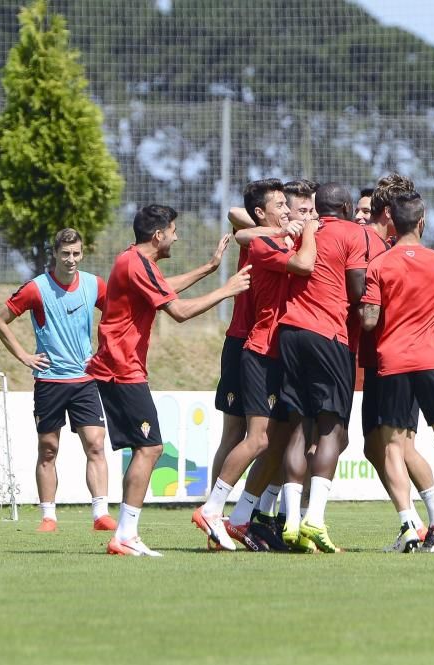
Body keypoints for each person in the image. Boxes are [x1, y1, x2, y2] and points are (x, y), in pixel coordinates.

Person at [87, 205, 251, 556]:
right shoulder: (133, 263)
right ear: (158, 235)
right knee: (150, 448)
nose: (177, 236)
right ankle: (125, 535)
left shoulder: (136, 263)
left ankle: (126, 534)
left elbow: (165, 289)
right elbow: (178, 311)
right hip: (120, 369)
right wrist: (228, 290)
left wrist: (210, 269)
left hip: (123, 368)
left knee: (147, 448)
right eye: (173, 230)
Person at [194, 179, 318, 552]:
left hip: (278, 350)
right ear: (262, 213)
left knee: (271, 438)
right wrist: (284, 227)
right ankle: (213, 513)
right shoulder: (262, 238)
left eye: (290, 205)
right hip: (249, 345)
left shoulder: (280, 236)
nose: (290, 211)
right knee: (244, 435)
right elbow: (239, 221)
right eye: (281, 205)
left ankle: (242, 517)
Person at [362, 191, 434, 554]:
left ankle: (409, 522)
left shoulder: (380, 264)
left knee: (393, 446)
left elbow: (370, 319)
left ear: (392, 221)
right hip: (431, 361)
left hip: (393, 363)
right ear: (422, 222)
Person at [0, 228, 115, 533]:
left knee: (96, 445)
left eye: (76, 254)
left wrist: (105, 351)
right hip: (49, 381)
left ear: (82, 254)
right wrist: (23, 355)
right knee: (48, 448)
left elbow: (116, 315)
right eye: (65, 254)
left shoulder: (94, 284)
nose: (71, 260)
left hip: (85, 379)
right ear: (55, 255)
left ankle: (101, 514)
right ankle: (48, 517)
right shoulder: (37, 288)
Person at [277, 182, 370, 553]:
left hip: (289, 333)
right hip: (327, 334)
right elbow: (357, 286)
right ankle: (314, 519)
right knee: (331, 427)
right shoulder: (354, 234)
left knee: (299, 427)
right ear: (348, 207)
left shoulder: (305, 231)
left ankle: (290, 523)